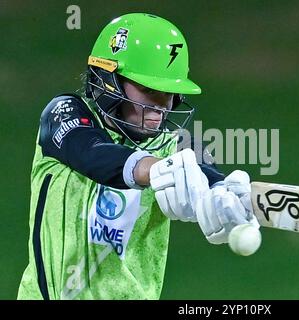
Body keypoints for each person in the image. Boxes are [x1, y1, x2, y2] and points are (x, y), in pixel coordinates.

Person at [18, 13, 257, 300]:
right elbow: (93, 154)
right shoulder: (66, 114)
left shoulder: (177, 147)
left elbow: (200, 165)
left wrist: (220, 193)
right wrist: (157, 171)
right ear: (109, 81)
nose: (161, 107)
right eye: (148, 91)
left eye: (169, 94)